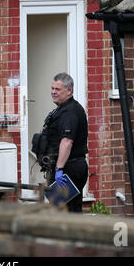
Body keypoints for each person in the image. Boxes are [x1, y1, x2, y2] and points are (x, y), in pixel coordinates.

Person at [42, 72, 89, 212]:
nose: (53, 92)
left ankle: (71, 234)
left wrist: (59, 169)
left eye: (57, 89)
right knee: (66, 210)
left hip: (69, 169)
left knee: (66, 211)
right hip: (68, 168)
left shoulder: (70, 112)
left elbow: (67, 142)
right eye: (52, 88)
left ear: (69, 91)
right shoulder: (62, 110)